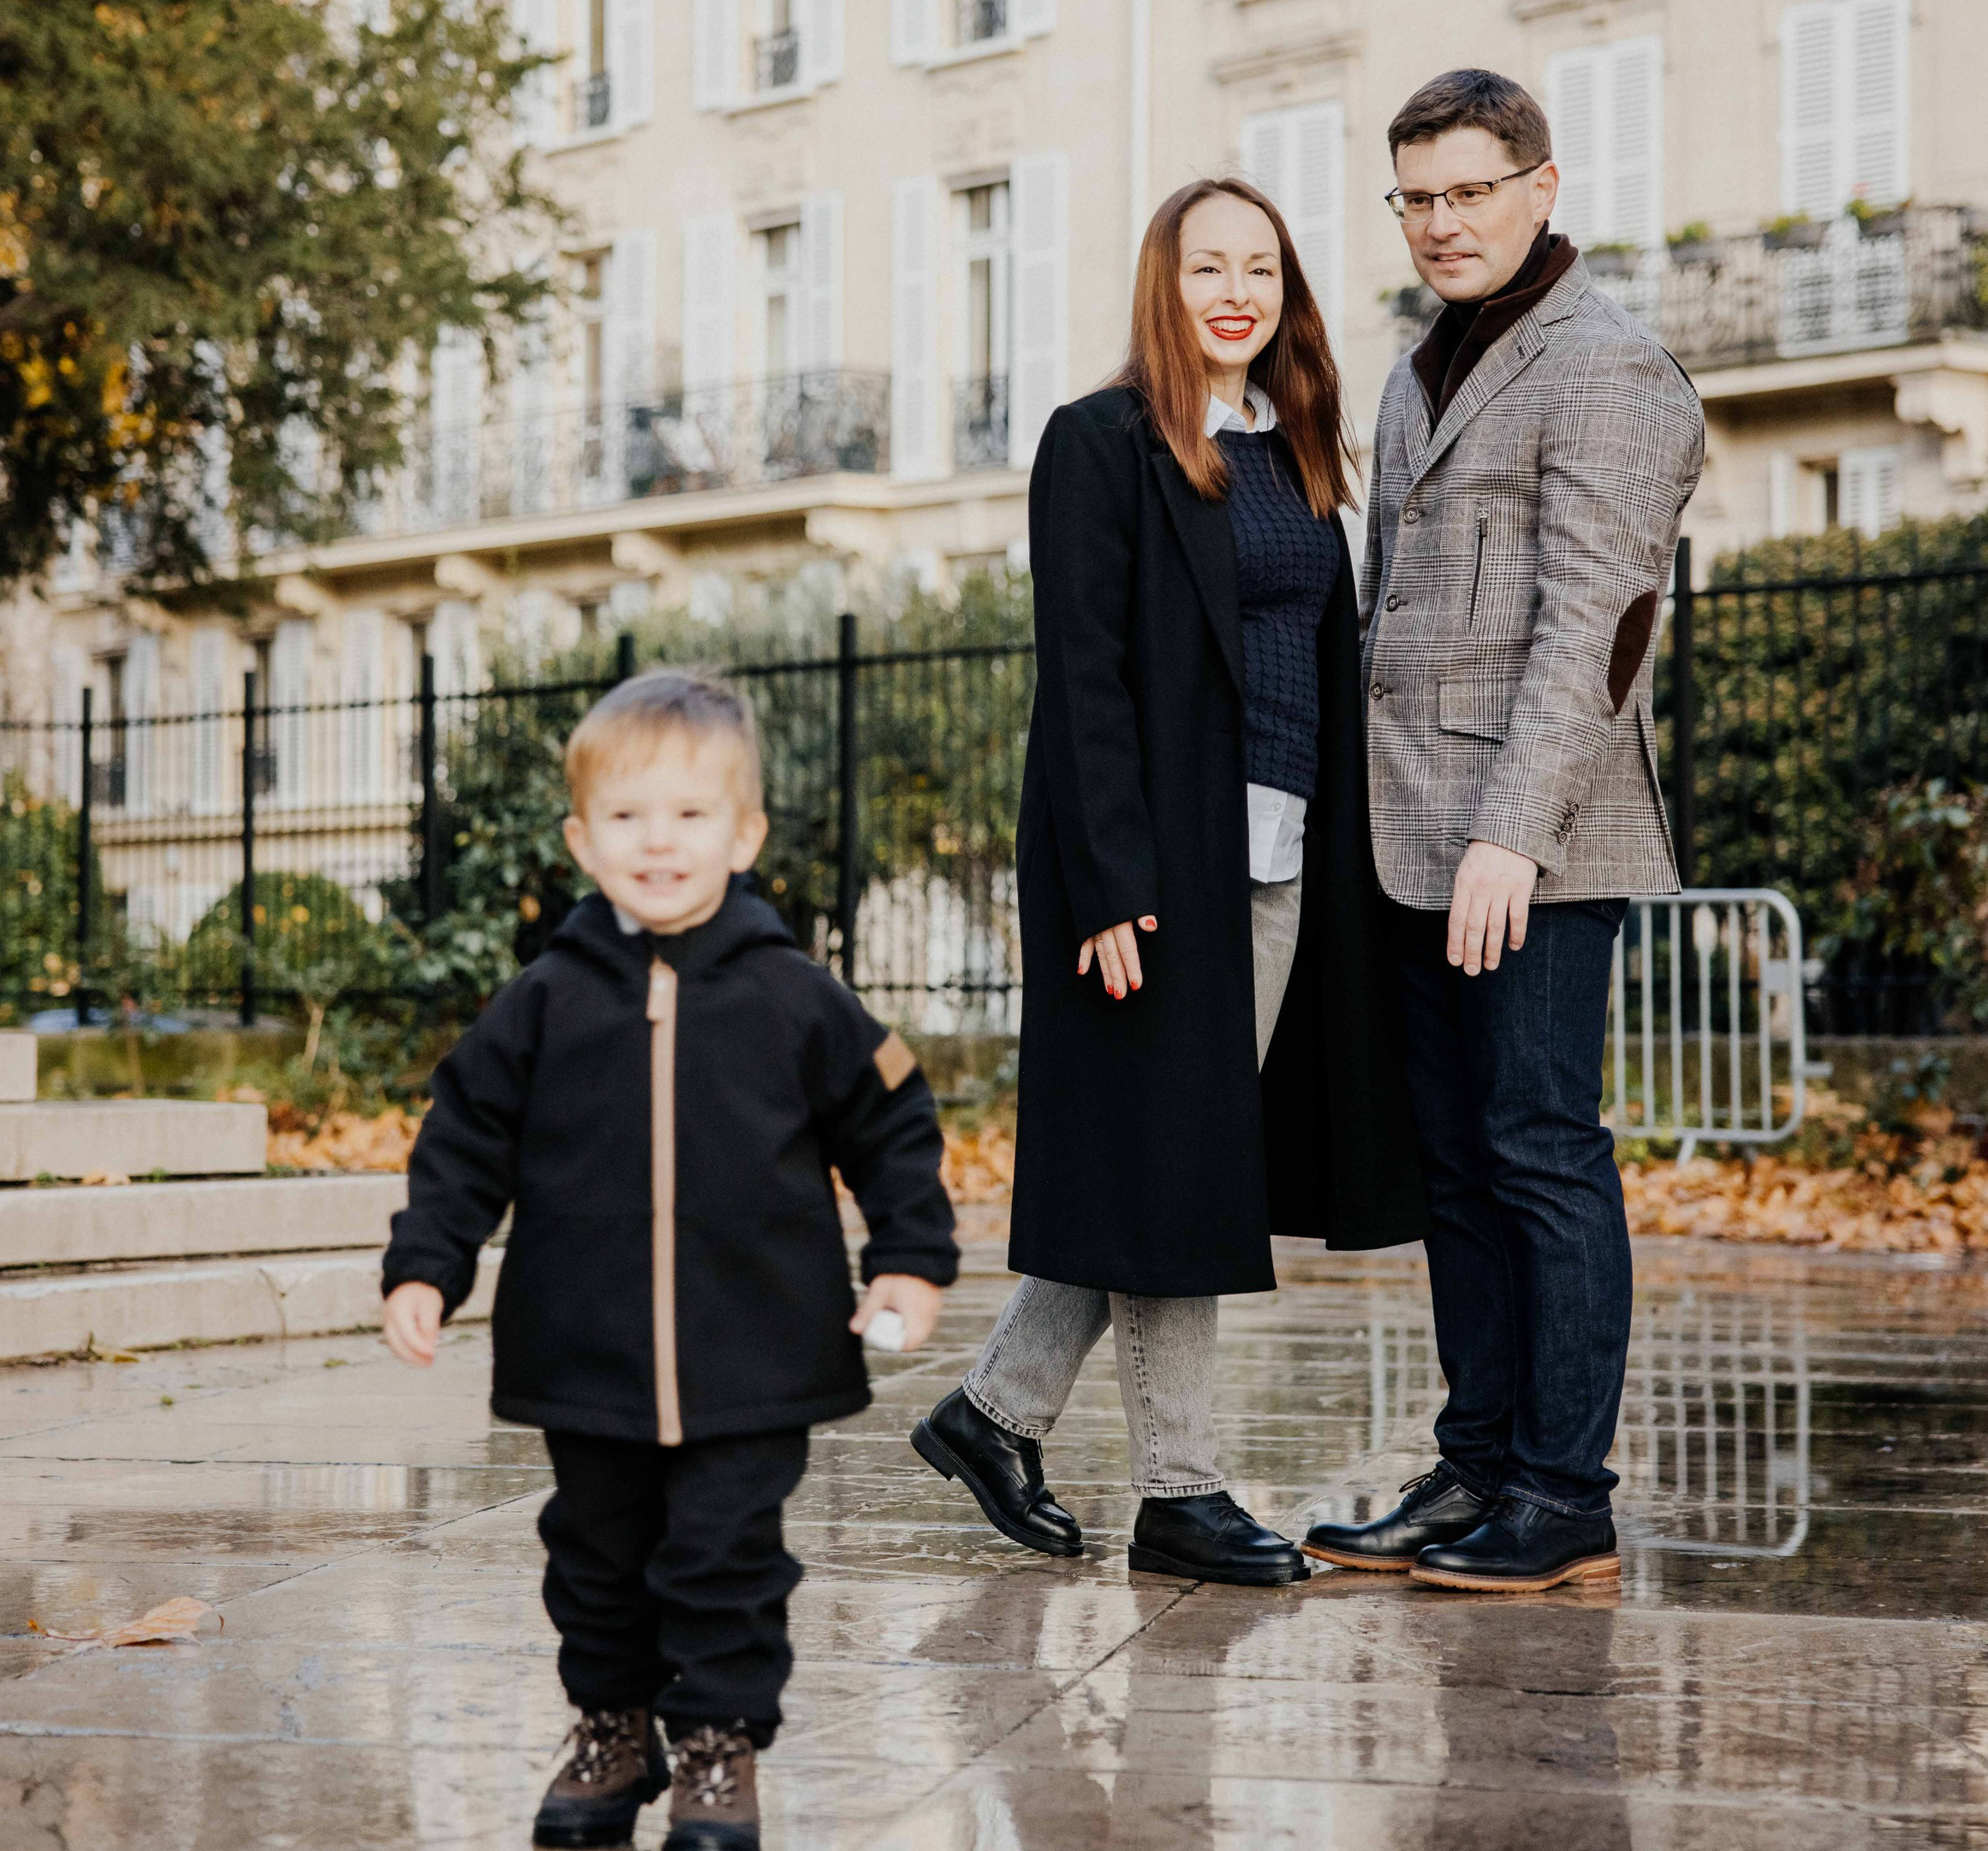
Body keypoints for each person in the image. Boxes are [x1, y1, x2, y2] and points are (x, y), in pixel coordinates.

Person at [911, 177, 1427, 1584]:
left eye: (1262, 266)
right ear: (1166, 281)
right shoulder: (1103, 443)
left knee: (1173, 1166)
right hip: (1155, 875)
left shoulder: (1299, 442)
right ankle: (1179, 1493)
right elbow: (1080, 680)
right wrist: (1108, 888)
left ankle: (993, 1413)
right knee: (1182, 1170)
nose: (1237, 291)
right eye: (1210, 266)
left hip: (1282, 862)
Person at [381, 670, 957, 1849]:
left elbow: (892, 1125)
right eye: (630, 818)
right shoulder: (541, 1005)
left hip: (756, 1351)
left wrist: (910, 1255)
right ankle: (613, 1726)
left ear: (742, 835)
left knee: (724, 1557)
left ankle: (715, 1746)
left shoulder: (797, 998)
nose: (660, 843)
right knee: (592, 1554)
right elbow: (461, 1139)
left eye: (690, 816)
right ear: (581, 842)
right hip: (583, 1351)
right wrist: (426, 1264)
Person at [1301, 69, 1703, 1592]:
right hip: (1410, 833)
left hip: (1531, 845)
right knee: (1456, 1165)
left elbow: (1598, 627)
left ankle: (1561, 1496)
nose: (1442, 223)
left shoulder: (1609, 368)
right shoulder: (1420, 372)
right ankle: (1477, 1467)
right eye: (1417, 197)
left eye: (1470, 191)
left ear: (1543, 186)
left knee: (1539, 1148)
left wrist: (1512, 838)